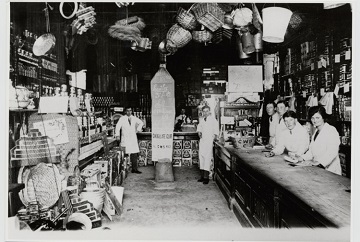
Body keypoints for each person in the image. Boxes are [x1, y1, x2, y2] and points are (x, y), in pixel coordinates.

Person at [297, 106, 342, 175]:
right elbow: (311, 152)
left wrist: (319, 163)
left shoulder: (331, 130)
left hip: (331, 171)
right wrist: (300, 158)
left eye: (317, 118)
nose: (314, 120)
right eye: (312, 118)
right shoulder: (316, 132)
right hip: (318, 169)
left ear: (323, 117)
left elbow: (332, 152)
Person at [115, 107, 144, 174]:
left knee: (134, 154)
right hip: (125, 138)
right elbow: (118, 127)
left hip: (132, 138)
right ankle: (123, 170)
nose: (129, 112)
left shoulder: (134, 118)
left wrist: (138, 129)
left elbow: (141, 123)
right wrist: (117, 135)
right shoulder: (122, 119)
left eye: (130, 111)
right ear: (125, 112)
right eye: (127, 111)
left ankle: (134, 169)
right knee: (124, 154)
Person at [196, 105, 219, 184]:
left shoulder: (213, 120)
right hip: (202, 141)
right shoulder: (202, 120)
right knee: (201, 158)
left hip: (209, 142)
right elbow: (199, 127)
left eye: (207, 111)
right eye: (204, 111)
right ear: (202, 112)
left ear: (209, 112)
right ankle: (202, 176)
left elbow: (216, 131)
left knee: (207, 159)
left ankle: (206, 178)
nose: (205, 113)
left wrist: (214, 138)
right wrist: (199, 132)